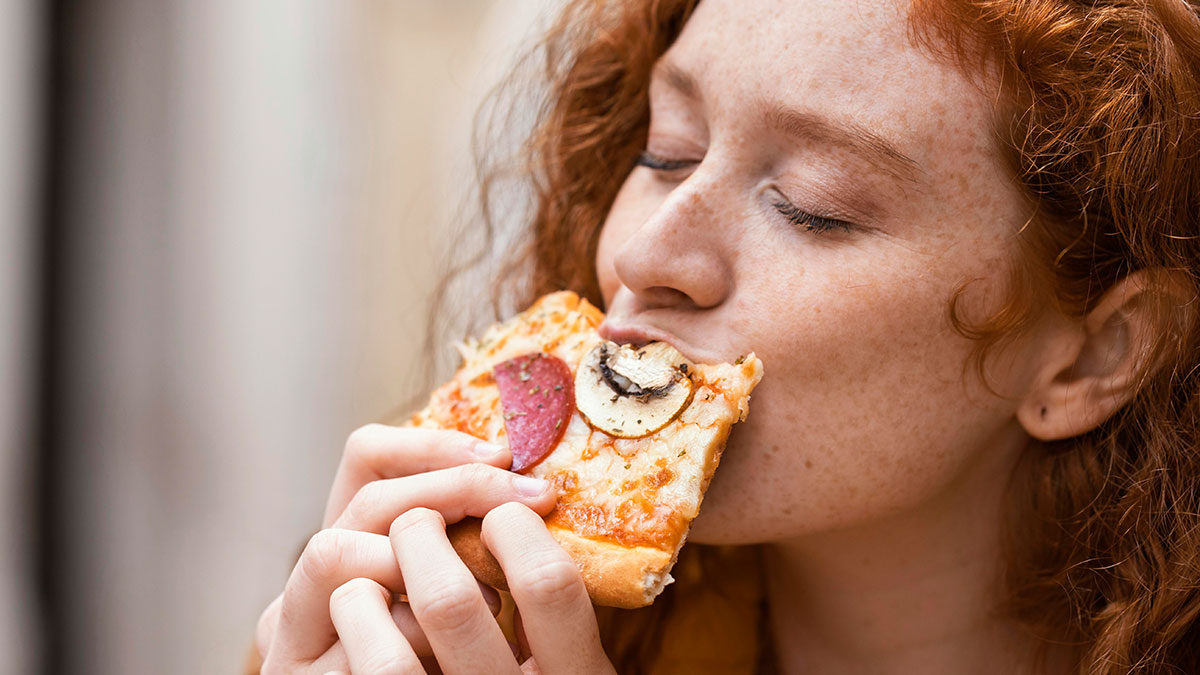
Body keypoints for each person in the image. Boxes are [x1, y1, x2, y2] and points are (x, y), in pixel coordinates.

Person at [251, 0, 1200, 672]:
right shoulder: (440, 641)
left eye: (811, 208)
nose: (647, 254)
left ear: (1092, 355)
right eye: (666, 151)